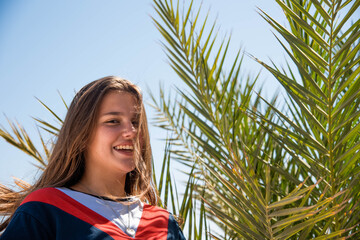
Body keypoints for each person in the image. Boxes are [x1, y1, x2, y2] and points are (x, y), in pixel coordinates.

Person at [0, 76, 186, 239]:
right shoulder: (44, 209)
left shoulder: (163, 223)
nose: (131, 132)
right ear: (82, 135)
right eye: (113, 121)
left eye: (136, 122)